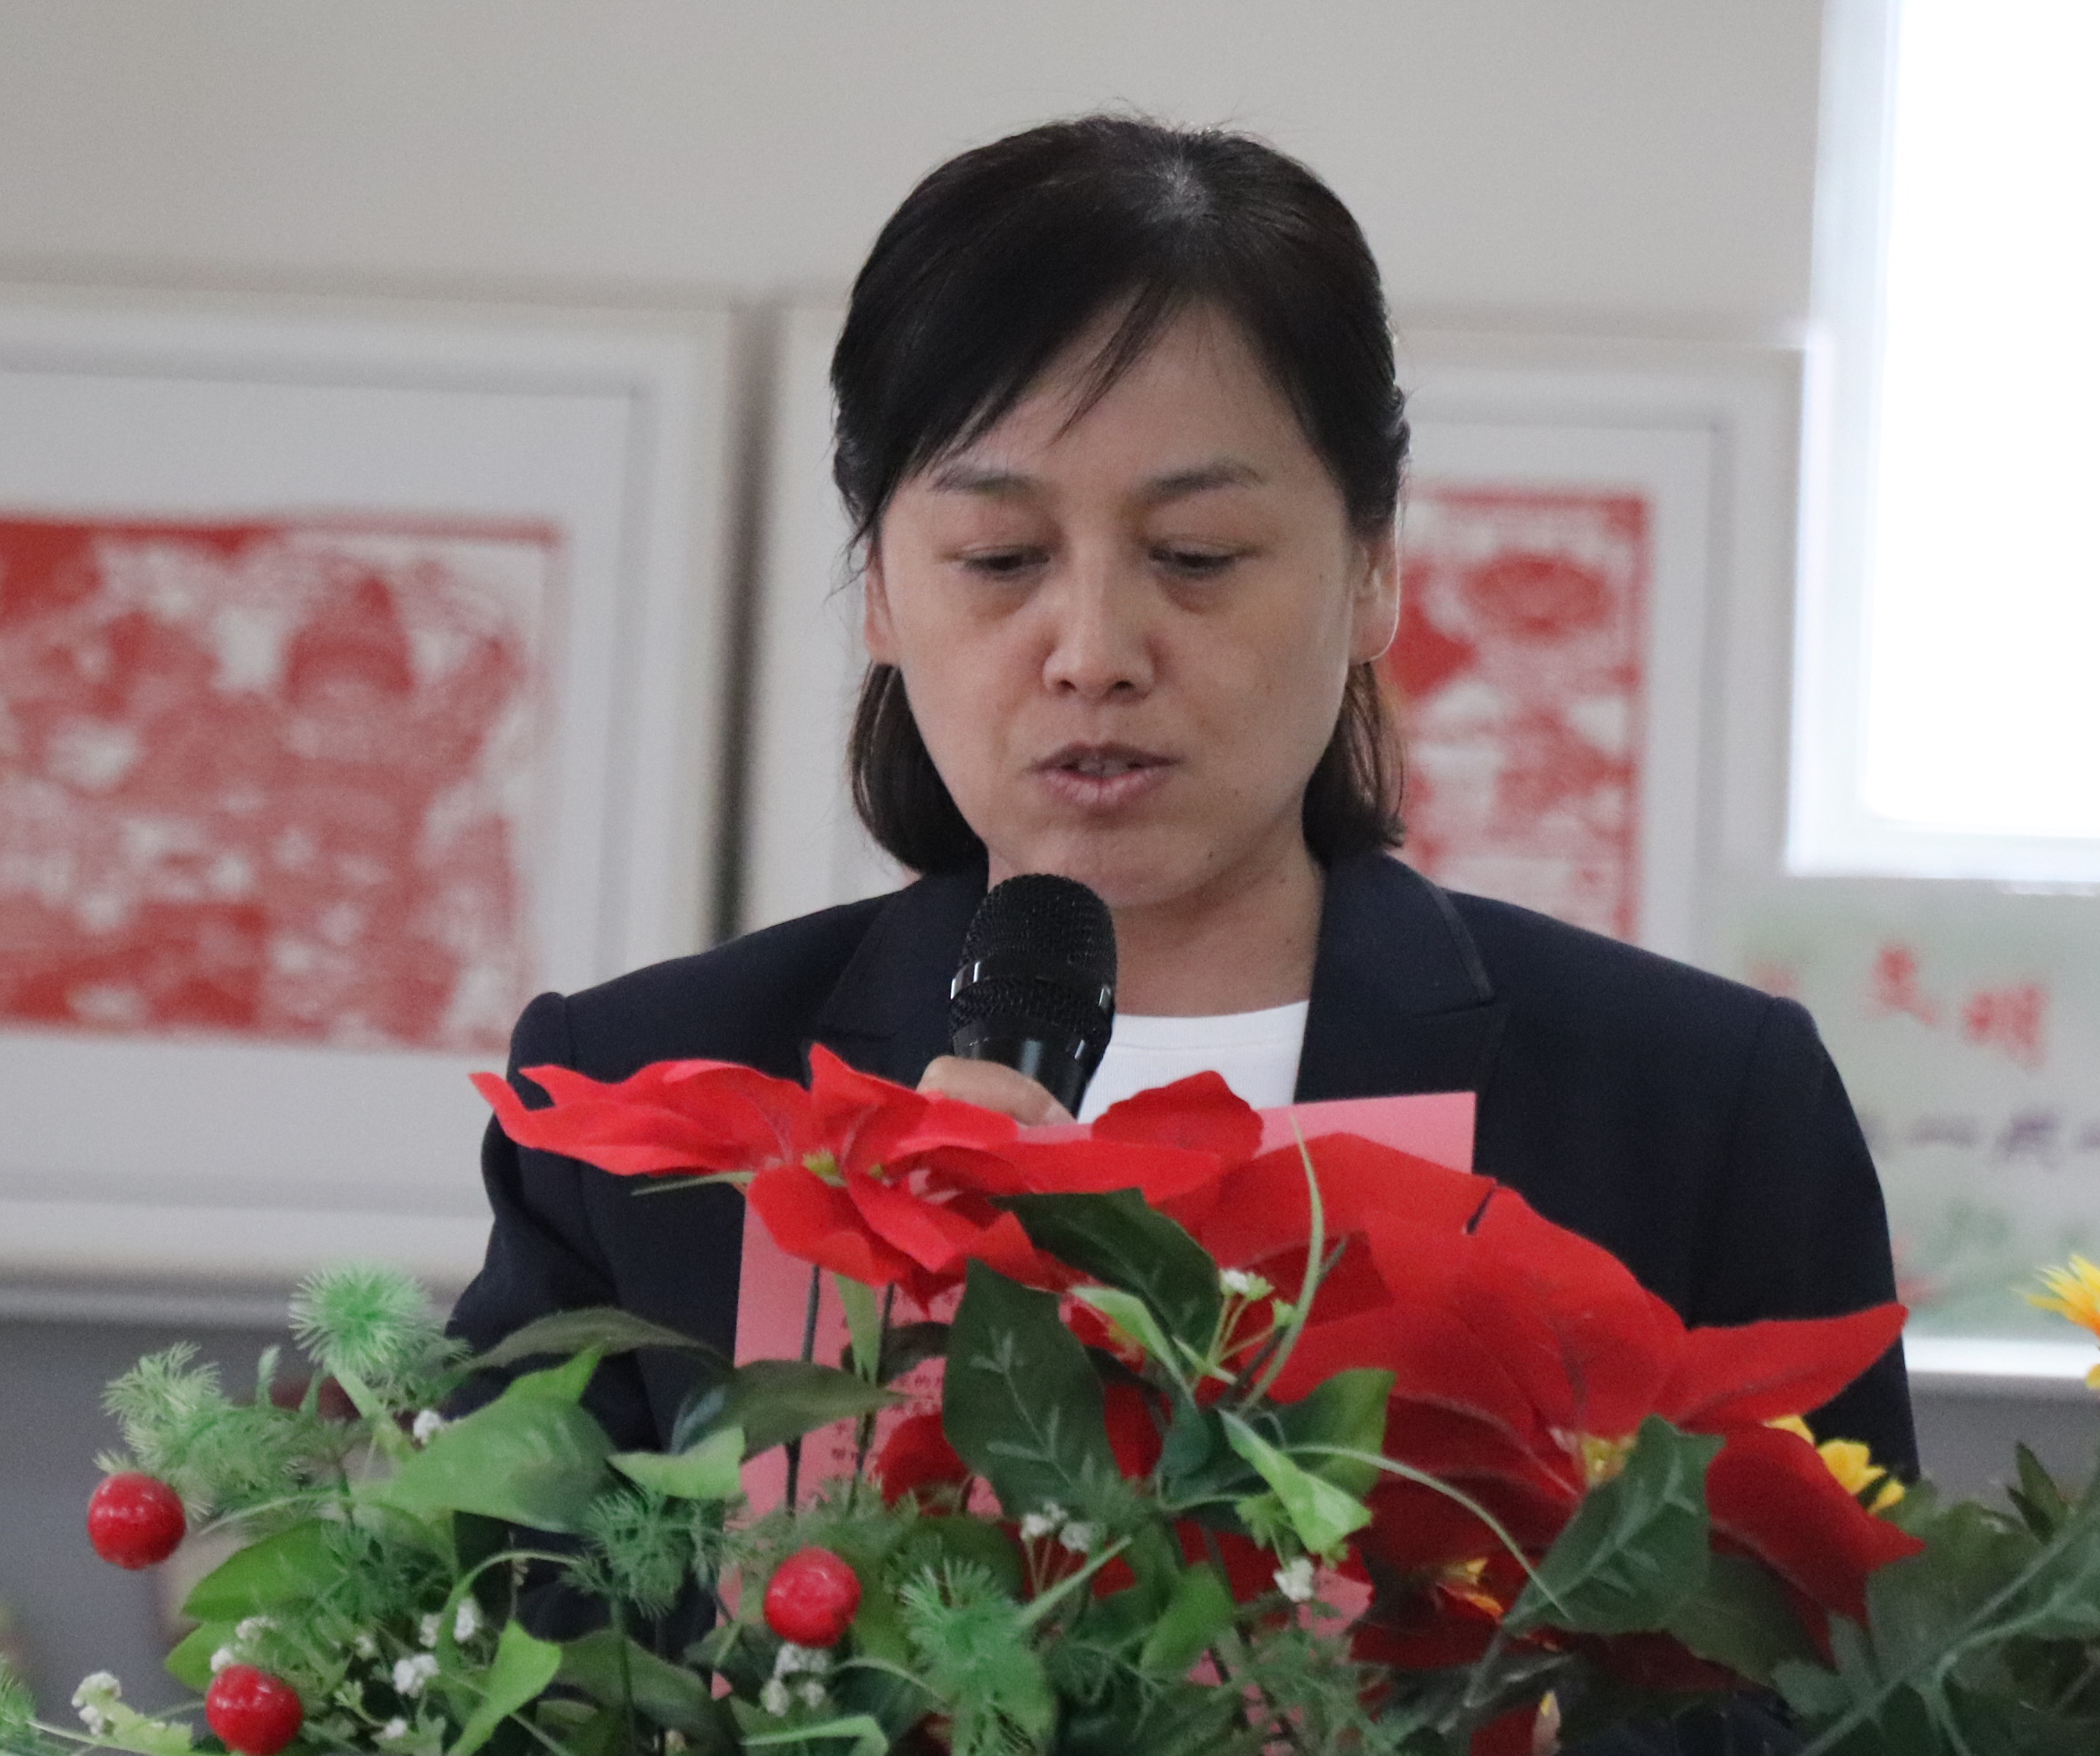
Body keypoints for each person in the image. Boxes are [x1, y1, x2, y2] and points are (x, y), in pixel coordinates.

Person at [453, 115, 1913, 1495]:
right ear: (881, 588)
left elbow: (1842, 1664)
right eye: (1002, 559)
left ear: (1372, 570)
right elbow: (490, 1655)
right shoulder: (637, 1101)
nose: (1095, 652)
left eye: (1197, 555)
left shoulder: (1692, 1108)